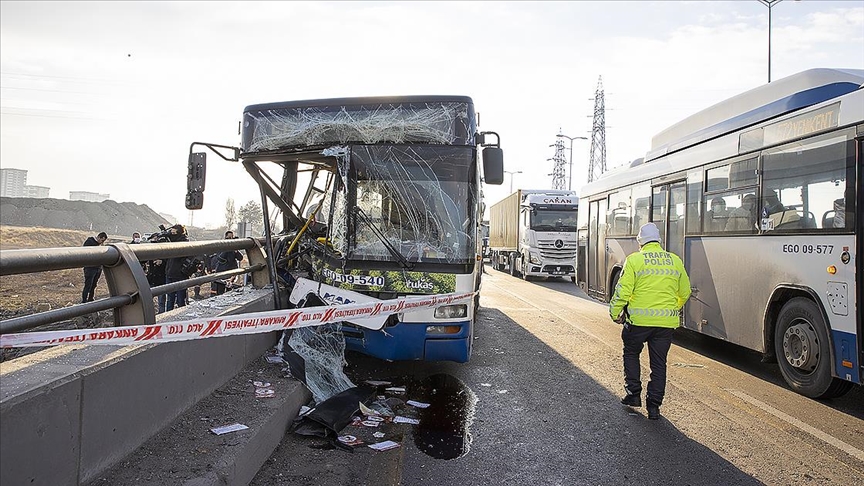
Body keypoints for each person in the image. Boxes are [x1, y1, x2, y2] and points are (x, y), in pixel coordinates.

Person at [609, 222, 691, 420]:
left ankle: (633, 394)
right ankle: (654, 407)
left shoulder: (635, 260)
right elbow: (685, 292)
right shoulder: (674, 260)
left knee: (631, 353)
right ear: (659, 241)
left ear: (640, 242)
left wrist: (615, 312)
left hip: (638, 322)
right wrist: (671, 308)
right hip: (664, 325)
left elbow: (623, 291)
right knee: (659, 364)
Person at [164, 224, 191, 311]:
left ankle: (180, 317)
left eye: (174, 233)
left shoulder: (184, 242)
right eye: (171, 233)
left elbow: (182, 257)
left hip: (180, 274)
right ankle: (168, 317)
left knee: (180, 300)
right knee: (170, 299)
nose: (172, 235)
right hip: (170, 273)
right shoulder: (171, 242)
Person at [210, 230, 245, 296]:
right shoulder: (221, 246)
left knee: (231, 293)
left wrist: (235, 250)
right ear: (225, 238)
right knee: (220, 293)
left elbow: (240, 258)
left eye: (232, 238)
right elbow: (220, 259)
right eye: (228, 238)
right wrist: (228, 248)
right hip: (222, 272)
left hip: (231, 273)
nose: (230, 240)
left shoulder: (234, 248)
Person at [82, 232, 108, 302]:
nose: (102, 242)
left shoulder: (100, 245)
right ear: (99, 237)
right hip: (90, 267)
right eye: (102, 240)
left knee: (94, 284)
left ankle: (90, 298)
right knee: (88, 284)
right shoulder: (89, 242)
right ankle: (84, 300)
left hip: (98, 268)